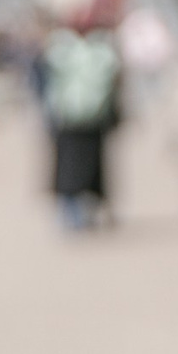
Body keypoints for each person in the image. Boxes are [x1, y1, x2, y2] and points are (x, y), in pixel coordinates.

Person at [37, 20, 122, 230]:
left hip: (71, 118)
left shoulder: (63, 52)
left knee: (72, 168)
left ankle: (75, 213)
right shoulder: (99, 53)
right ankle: (81, 212)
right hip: (88, 119)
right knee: (86, 168)